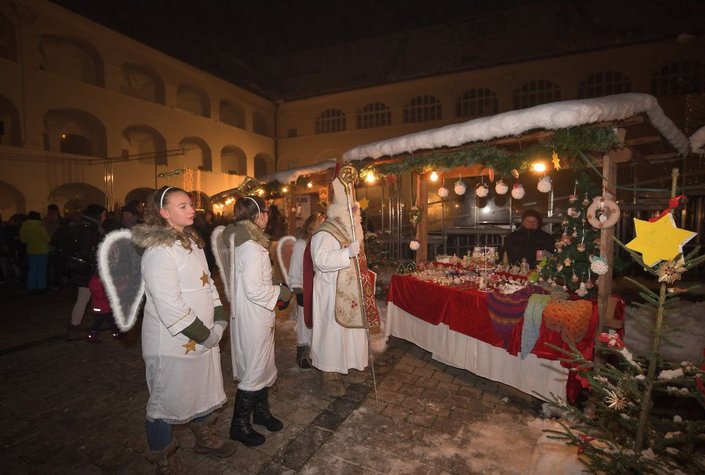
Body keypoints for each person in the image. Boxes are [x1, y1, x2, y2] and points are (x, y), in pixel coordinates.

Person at [131, 186, 235, 472]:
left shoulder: (191, 241)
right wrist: (207, 334)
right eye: (183, 206)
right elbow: (170, 305)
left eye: (190, 204)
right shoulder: (158, 252)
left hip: (202, 336)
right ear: (164, 213)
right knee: (167, 399)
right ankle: (163, 456)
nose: (191, 210)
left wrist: (219, 318)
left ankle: (204, 439)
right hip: (175, 342)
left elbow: (207, 283)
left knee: (201, 389)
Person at [223, 195, 291, 447]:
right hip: (254, 314)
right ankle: (238, 425)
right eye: (266, 212)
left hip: (251, 313)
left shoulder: (242, 240)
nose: (268, 217)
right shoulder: (252, 247)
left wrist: (271, 285)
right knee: (254, 366)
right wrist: (280, 292)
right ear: (257, 215)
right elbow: (254, 289)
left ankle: (260, 413)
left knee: (261, 363)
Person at [309, 177, 367, 398]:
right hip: (331, 292)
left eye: (355, 209)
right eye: (350, 208)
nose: (354, 211)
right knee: (332, 332)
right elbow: (320, 259)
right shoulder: (326, 231)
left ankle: (350, 366)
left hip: (351, 291)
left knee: (351, 331)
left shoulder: (353, 230)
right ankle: (329, 372)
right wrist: (346, 254)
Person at [64, 204, 106, 341]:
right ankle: (76, 328)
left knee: (85, 298)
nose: (105, 217)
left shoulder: (80, 225)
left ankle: (80, 326)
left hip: (80, 268)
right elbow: (88, 251)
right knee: (86, 298)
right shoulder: (90, 229)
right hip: (87, 269)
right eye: (103, 214)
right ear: (97, 215)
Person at [288, 212, 325, 369]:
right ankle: (303, 355)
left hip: (318, 289)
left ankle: (317, 354)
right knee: (305, 324)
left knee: (318, 323)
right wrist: (298, 290)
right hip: (305, 289)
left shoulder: (320, 242)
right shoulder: (301, 244)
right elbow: (295, 269)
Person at [19, 211, 51, 292]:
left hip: (31, 250)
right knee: (41, 269)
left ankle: (31, 286)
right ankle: (41, 286)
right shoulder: (40, 226)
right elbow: (47, 238)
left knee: (32, 269)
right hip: (43, 249)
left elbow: (23, 240)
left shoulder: (24, 226)